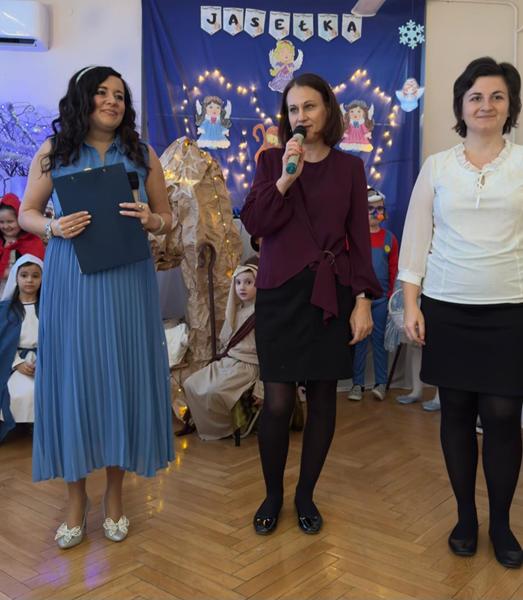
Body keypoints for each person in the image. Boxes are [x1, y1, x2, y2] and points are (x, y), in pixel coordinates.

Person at [19, 65, 174, 549]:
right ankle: (74, 500)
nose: (112, 101)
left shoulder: (142, 153)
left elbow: (167, 218)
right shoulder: (54, 152)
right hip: (73, 279)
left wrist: (152, 220)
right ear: (82, 99)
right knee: (74, 380)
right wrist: (53, 227)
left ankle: (115, 497)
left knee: (120, 381)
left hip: (129, 280)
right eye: (103, 93)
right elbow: (26, 212)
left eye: (120, 96)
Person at [241, 72, 381, 535]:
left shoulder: (350, 169)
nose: (301, 116)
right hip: (280, 294)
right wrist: (285, 178)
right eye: (293, 109)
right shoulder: (271, 162)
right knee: (278, 403)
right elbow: (255, 223)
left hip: (329, 295)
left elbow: (358, 241)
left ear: (328, 110)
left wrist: (362, 300)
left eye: (310, 106)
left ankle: (305, 495)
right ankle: (272, 495)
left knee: (323, 400)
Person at [399, 57, 523, 568]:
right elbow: (415, 238)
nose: (485, 105)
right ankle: (466, 517)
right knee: (455, 412)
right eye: (475, 97)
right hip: (447, 307)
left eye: (496, 96)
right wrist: (411, 303)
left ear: (510, 106)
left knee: (503, 415)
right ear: (461, 106)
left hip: (510, 309)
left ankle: (501, 523)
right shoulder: (438, 166)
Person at [183, 262, 263, 440]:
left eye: (248, 282)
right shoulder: (235, 311)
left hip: (247, 367)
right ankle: (205, 426)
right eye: (238, 282)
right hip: (227, 362)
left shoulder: (262, 314)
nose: (242, 287)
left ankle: (223, 429)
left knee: (214, 391)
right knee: (191, 383)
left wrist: (261, 386)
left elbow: (266, 354)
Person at [348, 187, 398, 401]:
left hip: (382, 300)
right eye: (370, 209)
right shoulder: (355, 239)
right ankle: (357, 384)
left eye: (380, 209)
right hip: (360, 300)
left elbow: (394, 269)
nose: (376, 213)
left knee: (379, 342)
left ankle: (381, 383)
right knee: (359, 341)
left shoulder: (390, 239)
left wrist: (392, 297)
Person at [0, 254, 43, 441]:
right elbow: (3, 342)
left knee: (42, 391)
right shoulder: (5, 309)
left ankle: (38, 424)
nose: (29, 280)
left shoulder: (49, 307)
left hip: (43, 361)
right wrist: (17, 363)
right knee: (16, 391)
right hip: (12, 361)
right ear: (16, 278)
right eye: (24, 275)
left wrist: (42, 362)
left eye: (35, 276)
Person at [0, 194, 45, 296]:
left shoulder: (32, 241)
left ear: (20, 220)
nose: (6, 226)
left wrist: (13, 273)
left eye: (10, 221)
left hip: (23, 292)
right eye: (1, 222)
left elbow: (38, 268)